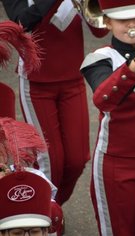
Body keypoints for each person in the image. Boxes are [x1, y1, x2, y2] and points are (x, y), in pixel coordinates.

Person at [0, 0, 108, 209]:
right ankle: (45, 218)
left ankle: (50, 209)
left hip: (73, 79)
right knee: (50, 161)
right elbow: (23, 21)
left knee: (77, 160)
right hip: (36, 84)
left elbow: (101, 31)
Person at [80, 0, 135, 235]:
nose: (131, 24)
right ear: (108, 22)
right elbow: (104, 100)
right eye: (122, 20)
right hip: (115, 164)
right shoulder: (99, 58)